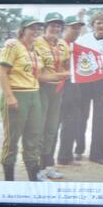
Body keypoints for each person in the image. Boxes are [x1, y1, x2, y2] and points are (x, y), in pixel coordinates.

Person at [0, 16, 44, 181]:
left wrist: (68, 74)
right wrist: (10, 97)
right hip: (17, 95)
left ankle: (34, 176)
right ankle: (9, 181)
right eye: (32, 28)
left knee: (33, 137)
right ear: (23, 29)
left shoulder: (35, 50)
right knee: (12, 140)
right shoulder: (13, 44)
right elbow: (2, 73)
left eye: (38, 28)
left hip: (34, 95)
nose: (35, 31)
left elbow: (41, 75)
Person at [76, 11, 103, 165]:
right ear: (93, 24)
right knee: (81, 116)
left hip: (102, 82)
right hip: (85, 81)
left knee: (100, 119)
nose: (101, 25)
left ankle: (97, 154)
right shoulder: (85, 38)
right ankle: (78, 149)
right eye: (98, 22)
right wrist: (80, 17)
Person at [34, 12, 70, 179]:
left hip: (58, 89)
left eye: (58, 25)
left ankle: (48, 166)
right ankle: (35, 168)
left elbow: (64, 65)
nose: (55, 28)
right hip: (42, 88)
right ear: (45, 26)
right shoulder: (37, 43)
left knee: (52, 128)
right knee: (39, 128)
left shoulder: (62, 44)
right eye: (52, 25)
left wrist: (66, 74)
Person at [57, 15, 85, 165]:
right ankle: (45, 159)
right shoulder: (58, 45)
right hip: (59, 88)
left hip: (74, 88)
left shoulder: (76, 46)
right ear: (65, 28)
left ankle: (65, 157)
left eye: (78, 28)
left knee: (71, 124)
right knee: (54, 125)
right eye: (73, 27)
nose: (76, 30)